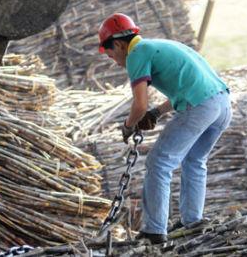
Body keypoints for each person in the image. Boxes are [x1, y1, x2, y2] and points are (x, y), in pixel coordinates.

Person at [97, 13, 232, 244]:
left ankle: (154, 230)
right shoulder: (160, 45)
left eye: (112, 55)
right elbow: (187, 89)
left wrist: (128, 126)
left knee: (159, 162)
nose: (116, 62)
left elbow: (140, 103)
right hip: (222, 105)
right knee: (194, 161)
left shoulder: (136, 54)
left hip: (201, 105)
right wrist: (157, 113)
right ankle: (192, 223)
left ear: (119, 44)